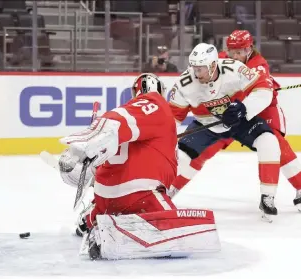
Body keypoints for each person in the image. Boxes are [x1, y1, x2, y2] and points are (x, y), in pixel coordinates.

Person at [58, 73, 220, 260]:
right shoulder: (155, 102)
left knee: (107, 206)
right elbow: (117, 120)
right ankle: (112, 232)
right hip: (141, 194)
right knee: (184, 237)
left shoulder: (143, 122)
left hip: (106, 198)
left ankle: (91, 219)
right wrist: (84, 143)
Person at [170, 30, 301, 213]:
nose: (234, 55)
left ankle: (300, 188)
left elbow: (262, 91)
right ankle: (170, 191)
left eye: (239, 51)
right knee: (198, 153)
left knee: (275, 145)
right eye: (231, 51)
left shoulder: (258, 65)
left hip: (260, 110)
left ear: (249, 49)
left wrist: (247, 105)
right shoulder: (220, 62)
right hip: (226, 115)